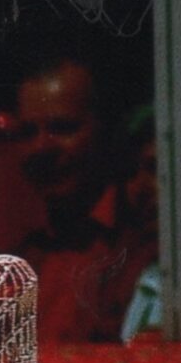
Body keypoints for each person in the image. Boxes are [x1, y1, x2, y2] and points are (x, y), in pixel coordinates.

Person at [15, 56, 153, 343]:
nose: (41, 148)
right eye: (28, 132)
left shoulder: (147, 246)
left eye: (62, 128)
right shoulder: (26, 257)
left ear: (108, 132)